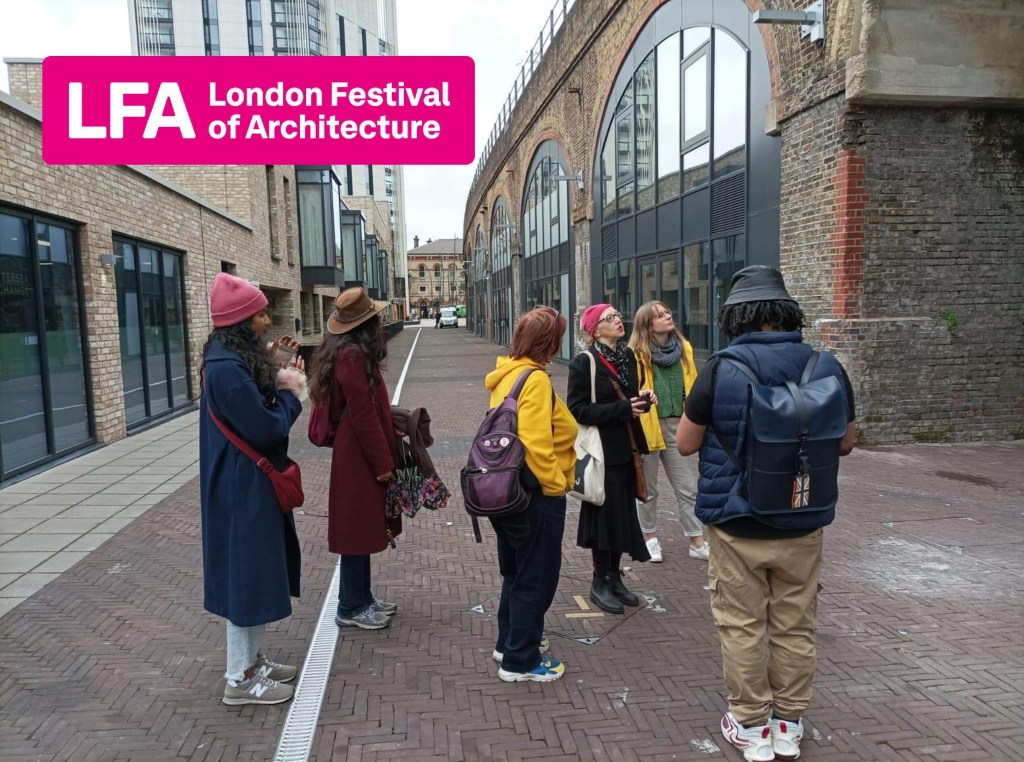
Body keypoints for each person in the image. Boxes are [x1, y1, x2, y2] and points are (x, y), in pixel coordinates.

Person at [676, 266, 857, 762]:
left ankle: (751, 726)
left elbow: (685, 444)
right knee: (796, 625)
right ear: (787, 312)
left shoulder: (720, 368)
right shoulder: (827, 365)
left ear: (736, 317)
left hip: (736, 523)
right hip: (803, 516)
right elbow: (844, 442)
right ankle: (788, 725)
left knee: (741, 625)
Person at [200, 272, 306, 706]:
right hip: (240, 487)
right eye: (260, 314)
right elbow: (265, 428)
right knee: (245, 579)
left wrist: (272, 367)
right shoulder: (227, 369)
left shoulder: (228, 359)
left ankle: (254, 661)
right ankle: (239, 679)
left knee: (254, 573)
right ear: (243, 321)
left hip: (243, 483)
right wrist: (291, 394)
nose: (266, 320)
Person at [483, 306, 577, 683]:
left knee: (515, 571)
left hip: (504, 491)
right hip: (533, 494)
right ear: (549, 343)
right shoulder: (534, 380)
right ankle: (520, 660)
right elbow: (537, 445)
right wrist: (557, 486)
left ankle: (509, 642)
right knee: (535, 575)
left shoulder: (506, 374)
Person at [309, 287, 401, 631]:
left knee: (361, 528)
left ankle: (361, 597)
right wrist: (383, 464)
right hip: (358, 456)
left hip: (355, 451)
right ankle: (350, 606)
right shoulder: (352, 356)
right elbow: (362, 415)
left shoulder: (346, 352)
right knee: (355, 531)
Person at [567, 303, 652, 616]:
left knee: (621, 516)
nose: (619, 320)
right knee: (604, 518)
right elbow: (578, 410)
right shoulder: (584, 363)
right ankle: (599, 581)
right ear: (595, 328)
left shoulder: (627, 357)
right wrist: (624, 409)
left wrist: (644, 399)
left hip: (627, 450)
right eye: (610, 318)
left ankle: (615, 577)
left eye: (618, 315)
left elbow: (627, 398)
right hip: (600, 452)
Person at [628, 301, 707, 563]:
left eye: (667, 312)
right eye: (660, 315)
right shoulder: (636, 353)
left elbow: (693, 385)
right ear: (648, 326)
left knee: (686, 486)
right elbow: (630, 391)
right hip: (647, 427)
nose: (668, 316)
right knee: (647, 490)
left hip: (677, 424)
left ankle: (696, 540)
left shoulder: (683, 348)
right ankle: (649, 538)